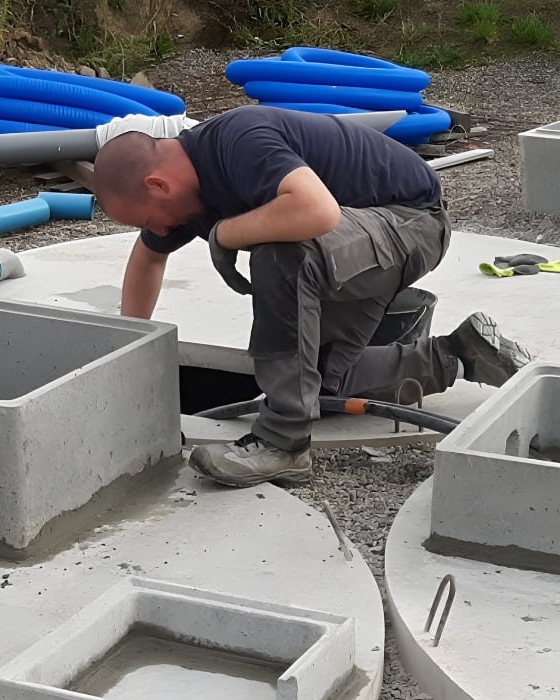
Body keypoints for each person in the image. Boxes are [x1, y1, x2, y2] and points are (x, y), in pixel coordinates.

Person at [93, 105, 531, 488]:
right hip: (355, 239)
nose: (163, 230)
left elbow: (316, 212)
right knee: (317, 381)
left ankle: (283, 443)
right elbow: (147, 260)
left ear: (158, 184)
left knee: (282, 247)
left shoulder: (239, 142)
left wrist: (225, 234)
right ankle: (460, 355)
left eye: (152, 218)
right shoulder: (184, 197)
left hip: (411, 222)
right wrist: (131, 357)